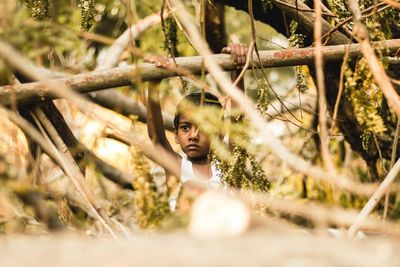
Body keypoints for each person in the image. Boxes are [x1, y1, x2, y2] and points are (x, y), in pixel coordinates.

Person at [145, 43, 248, 211]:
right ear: (176, 135)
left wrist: (238, 69)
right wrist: (154, 82)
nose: (193, 135)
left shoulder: (228, 168)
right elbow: (156, 136)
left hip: (222, 234)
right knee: (192, 187)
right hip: (184, 234)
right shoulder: (177, 168)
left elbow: (238, 123)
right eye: (186, 128)